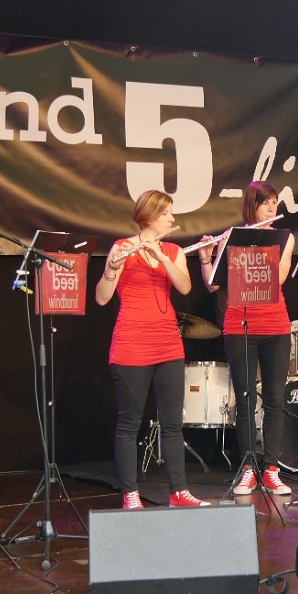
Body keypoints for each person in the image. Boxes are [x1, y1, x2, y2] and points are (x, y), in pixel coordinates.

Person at [95, 189, 210, 509]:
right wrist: (111, 269)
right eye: (166, 213)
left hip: (168, 343)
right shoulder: (121, 247)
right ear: (148, 217)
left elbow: (184, 287)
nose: (172, 219)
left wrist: (161, 257)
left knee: (172, 423)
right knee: (129, 423)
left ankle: (179, 491)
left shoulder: (173, 250)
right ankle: (130, 494)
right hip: (131, 343)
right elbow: (102, 297)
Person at [197, 181, 294, 497]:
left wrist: (258, 247)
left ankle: (271, 469)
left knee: (275, 399)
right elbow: (213, 285)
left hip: (275, 325)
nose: (271, 207)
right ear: (252, 206)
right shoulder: (232, 236)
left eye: (274, 202)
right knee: (246, 399)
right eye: (265, 202)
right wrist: (207, 257)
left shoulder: (284, 237)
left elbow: (279, 278)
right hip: (239, 326)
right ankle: (249, 468)